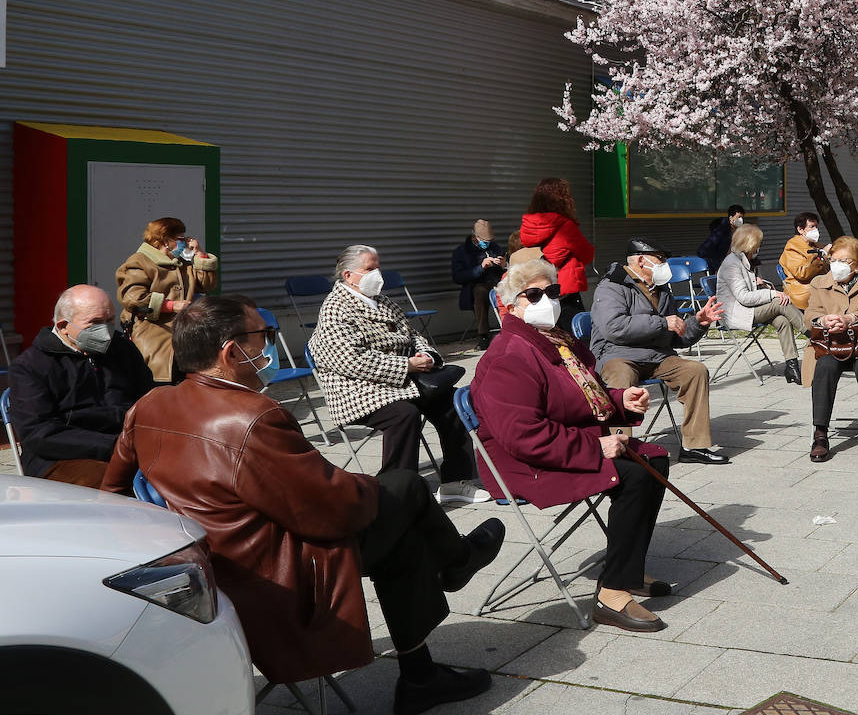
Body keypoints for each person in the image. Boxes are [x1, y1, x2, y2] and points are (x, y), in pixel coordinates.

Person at [102, 295, 505, 714]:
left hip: (213, 565)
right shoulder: (253, 416)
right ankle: (456, 563)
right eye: (265, 336)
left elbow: (111, 493)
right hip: (277, 573)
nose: (270, 346)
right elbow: (335, 511)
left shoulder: (148, 405)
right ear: (231, 351)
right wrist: (369, 486)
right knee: (405, 487)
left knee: (400, 527)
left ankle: (424, 670)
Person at [473, 256, 674, 632]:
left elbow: (582, 398)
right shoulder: (509, 354)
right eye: (532, 294)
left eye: (551, 291)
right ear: (509, 304)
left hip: (560, 444)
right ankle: (610, 595)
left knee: (654, 460)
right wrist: (595, 448)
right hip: (524, 463)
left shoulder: (558, 342)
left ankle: (625, 570)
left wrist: (619, 401)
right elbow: (522, 436)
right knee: (634, 475)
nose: (546, 300)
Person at [309, 244, 489, 504]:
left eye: (378, 266)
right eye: (369, 269)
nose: (377, 274)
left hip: (402, 381)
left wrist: (427, 356)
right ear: (348, 275)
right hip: (358, 387)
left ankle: (455, 482)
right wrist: (406, 366)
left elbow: (414, 336)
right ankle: (396, 493)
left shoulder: (384, 301)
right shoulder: (335, 309)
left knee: (452, 403)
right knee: (404, 414)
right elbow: (351, 361)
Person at [591, 238, 729, 465]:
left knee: (695, 371)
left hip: (657, 355)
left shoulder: (660, 288)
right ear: (642, 260)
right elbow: (614, 328)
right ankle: (619, 445)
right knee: (620, 375)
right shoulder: (612, 286)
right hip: (618, 353)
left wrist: (698, 322)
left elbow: (678, 337)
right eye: (661, 259)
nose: (665, 264)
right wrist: (663, 323)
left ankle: (694, 446)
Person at [7, 285, 153, 486]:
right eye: (94, 323)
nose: (106, 332)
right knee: (112, 483)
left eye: (109, 321)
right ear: (63, 326)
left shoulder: (121, 348)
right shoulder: (30, 366)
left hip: (129, 446)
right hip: (61, 457)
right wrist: (114, 446)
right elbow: (38, 434)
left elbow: (149, 399)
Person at [802, 235, 858, 463]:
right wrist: (823, 321)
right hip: (830, 343)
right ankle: (820, 434)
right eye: (834, 259)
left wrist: (852, 318)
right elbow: (810, 315)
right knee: (824, 365)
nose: (837, 265)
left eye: (844, 261)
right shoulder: (819, 282)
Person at [115, 216, 219, 382]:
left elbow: (206, 285)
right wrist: (170, 305)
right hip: (154, 333)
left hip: (186, 335)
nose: (186, 242)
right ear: (164, 241)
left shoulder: (182, 262)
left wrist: (200, 254)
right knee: (160, 381)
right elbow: (132, 297)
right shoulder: (139, 262)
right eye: (180, 239)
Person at [717, 224, 807, 384]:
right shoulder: (731, 264)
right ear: (749, 243)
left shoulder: (741, 260)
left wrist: (756, 283)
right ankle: (813, 333)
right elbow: (744, 297)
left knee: (783, 321)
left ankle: (792, 367)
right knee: (780, 301)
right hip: (735, 314)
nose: (759, 246)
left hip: (748, 309)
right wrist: (773, 293)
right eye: (758, 243)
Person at [520, 177, 596, 329]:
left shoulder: (529, 226)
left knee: (548, 332)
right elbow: (587, 254)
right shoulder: (566, 226)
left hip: (537, 286)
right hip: (564, 286)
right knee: (574, 333)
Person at [450, 219, 507, 350]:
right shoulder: (461, 252)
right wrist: (481, 267)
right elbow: (458, 277)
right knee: (480, 291)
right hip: (477, 286)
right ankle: (483, 335)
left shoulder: (495, 247)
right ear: (474, 237)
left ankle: (516, 329)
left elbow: (507, 266)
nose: (487, 244)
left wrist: (503, 264)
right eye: (484, 241)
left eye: (489, 241)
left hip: (498, 282)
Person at [779, 211, 831, 311]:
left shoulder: (816, 245)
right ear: (800, 229)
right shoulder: (792, 247)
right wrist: (823, 255)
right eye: (811, 227)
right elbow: (802, 274)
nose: (815, 230)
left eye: (816, 227)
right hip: (803, 290)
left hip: (820, 284)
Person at [696, 204, 746, 274]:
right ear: (730, 218)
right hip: (717, 267)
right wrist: (716, 267)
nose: (741, 220)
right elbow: (705, 249)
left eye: (742, 217)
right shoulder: (721, 232)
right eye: (739, 217)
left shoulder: (737, 231)